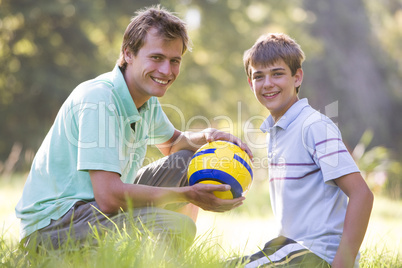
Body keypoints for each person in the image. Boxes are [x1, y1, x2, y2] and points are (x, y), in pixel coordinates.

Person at [15, 5, 251, 251]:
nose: (166, 71)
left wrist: (208, 138)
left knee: (188, 159)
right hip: (53, 226)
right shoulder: (100, 100)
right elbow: (108, 198)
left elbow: (173, 145)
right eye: (157, 58)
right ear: (128, 54)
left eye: (174, 61)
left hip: (94, 208)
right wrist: (188, 194)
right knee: (178, 226)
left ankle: (167, 258)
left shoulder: (146, 101)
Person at [238, 33, 374, 267]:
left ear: (297, 77)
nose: (268, 83)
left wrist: (344, 261)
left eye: (277, 74)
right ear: (251, 83)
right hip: (288, 250)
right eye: (259, 76)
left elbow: (362, 195)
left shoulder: (314, 126)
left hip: (317, 255)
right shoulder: (277, 131)